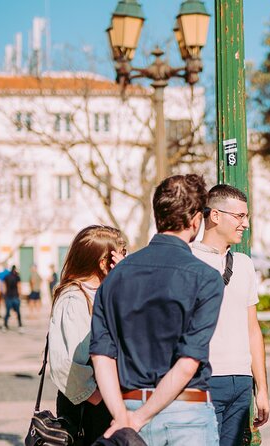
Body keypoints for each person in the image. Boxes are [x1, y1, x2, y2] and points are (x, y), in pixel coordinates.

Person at [90, 174, 225, 444]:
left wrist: (125, 419)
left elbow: (102, 356)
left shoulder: (116, 276)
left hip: (126, 406)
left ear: (157, 215)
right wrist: (141, 417)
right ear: (196, 220)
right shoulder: (206, 277)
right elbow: (187, 364)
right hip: (186, 412)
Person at [192, 184, 270, 445]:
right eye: (239, 216)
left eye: (246, 217)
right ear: (215, 215)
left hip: (241, 383)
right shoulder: (188, 260)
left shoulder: (245, 265)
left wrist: (262, 390)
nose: (245, 224)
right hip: (203, 380)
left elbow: (252, 329)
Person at [48, 225, 126, 445]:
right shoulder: (75, 298)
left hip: (108, 397)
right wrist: (97, 398)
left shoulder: (107, 291)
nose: (124, 260)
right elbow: (67, 362)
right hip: (88, 406)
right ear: (103, 263)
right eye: (121, 253)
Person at [2, 265, 23, 332]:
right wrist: (20, 295)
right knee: (18, 312)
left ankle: (5, 326)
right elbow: (19, 287)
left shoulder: (6, 277)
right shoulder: (17, 277)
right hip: (15, 296)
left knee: (7, 312)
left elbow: (4, 287)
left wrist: (4, 296)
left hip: (8, 296)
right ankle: (20, 326)